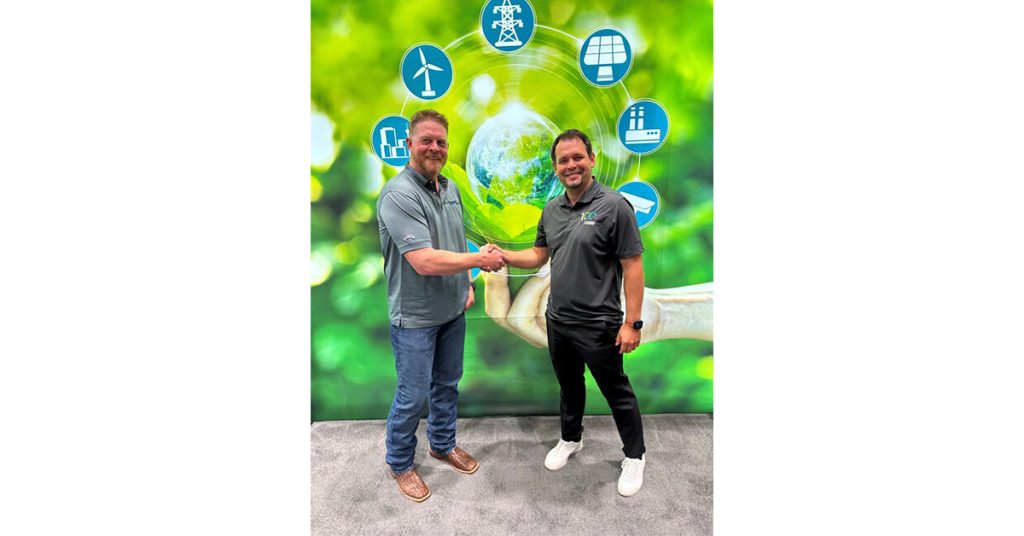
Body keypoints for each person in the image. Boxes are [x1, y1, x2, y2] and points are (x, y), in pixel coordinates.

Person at [488, 129, 648, 497]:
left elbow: (633, 266)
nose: (571, 165)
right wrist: (505, 256)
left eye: (578, 157)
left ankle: (635, 456)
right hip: (558, 320)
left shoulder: (615, 206)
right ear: (556, 168)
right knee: (570, 386)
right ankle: (571, 438)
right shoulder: (552, 209)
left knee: (617, 392)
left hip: (599, 323)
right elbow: (539, 255)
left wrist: (632, 323)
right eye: (563, 160)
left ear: (592, 160)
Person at [376, 109, 506, 502]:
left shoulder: (449, 189)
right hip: (415, 318)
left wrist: (467, 281)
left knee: (447, 384)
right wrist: (479, 261)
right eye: (427, 140)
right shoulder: (398, 194)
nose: (435, 148)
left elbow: (453, 242)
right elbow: (424, 260)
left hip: (452, 311)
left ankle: (442, 444)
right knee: (413, 395)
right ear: (409, 144)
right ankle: (400, 463)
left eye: (441, 142)